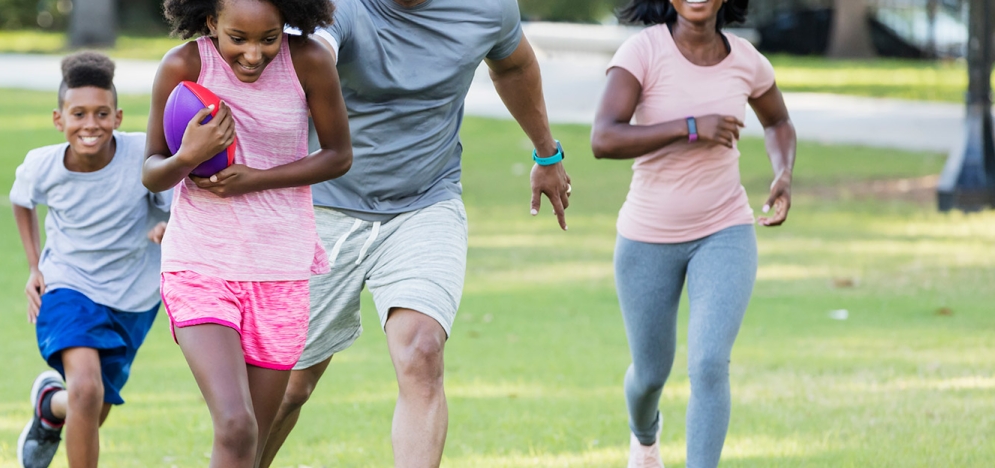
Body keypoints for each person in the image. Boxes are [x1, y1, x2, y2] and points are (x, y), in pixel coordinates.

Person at [260, 1, 573, 466]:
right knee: (289, 387)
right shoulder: (336, 7)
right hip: (319, 205)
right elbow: (305, 58)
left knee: (422, 352)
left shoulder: (487, 8)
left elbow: (515, 64)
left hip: (426, 201)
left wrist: (546, 153)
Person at [143, 0, 353, 464]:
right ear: (211, 22)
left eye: (269, 38)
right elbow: (152, 171)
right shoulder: (185, 65)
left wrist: (252, 178)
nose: (254, 54)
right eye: (238, 39)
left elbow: (339, 155)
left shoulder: (309, 61)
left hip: (280, 270)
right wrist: (186, 158)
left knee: (253, 445)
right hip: (201, 265)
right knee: (236, 425)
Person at [590, 1, 796, 467]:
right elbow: (603, 138)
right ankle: (644, 437)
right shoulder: (642, 52)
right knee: (649, 373)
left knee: (707, 364)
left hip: (725, 230)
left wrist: (783, 172)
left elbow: (778, 121)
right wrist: (689, 128)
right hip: (647, 237)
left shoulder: (746, 59)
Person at [12, 51, 173, 468]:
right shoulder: (41, 165)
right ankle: (62, 403)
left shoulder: (142, 153)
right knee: (87, 391)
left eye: (102, 113)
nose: (90, 125)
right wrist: (34, 266)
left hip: (134, 295)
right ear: (58, 118)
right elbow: (21, 202)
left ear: (118, 117)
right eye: (78, 114)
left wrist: (166, 227)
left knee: (93, 407)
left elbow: (177, 204)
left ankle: (51, 408)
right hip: (68, 283)